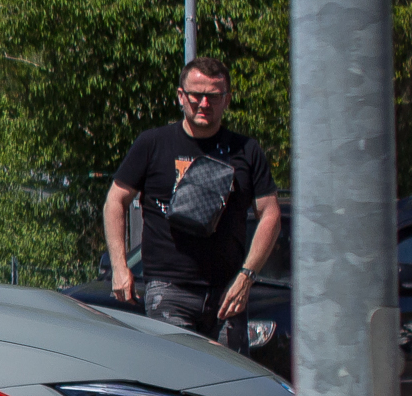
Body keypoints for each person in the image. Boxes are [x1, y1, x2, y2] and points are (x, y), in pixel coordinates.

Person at [103, 55, 280, 343]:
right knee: (177, 381)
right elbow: (115, 200)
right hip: (169, 290)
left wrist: (247, 276)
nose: (204, 103)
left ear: (227, 99)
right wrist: (119, 267)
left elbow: (270, 213)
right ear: (181, 96)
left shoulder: (246, 150)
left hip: (228, 295)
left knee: (229, 385)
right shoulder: (153, 143)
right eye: (196, 95)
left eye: (214, 96)